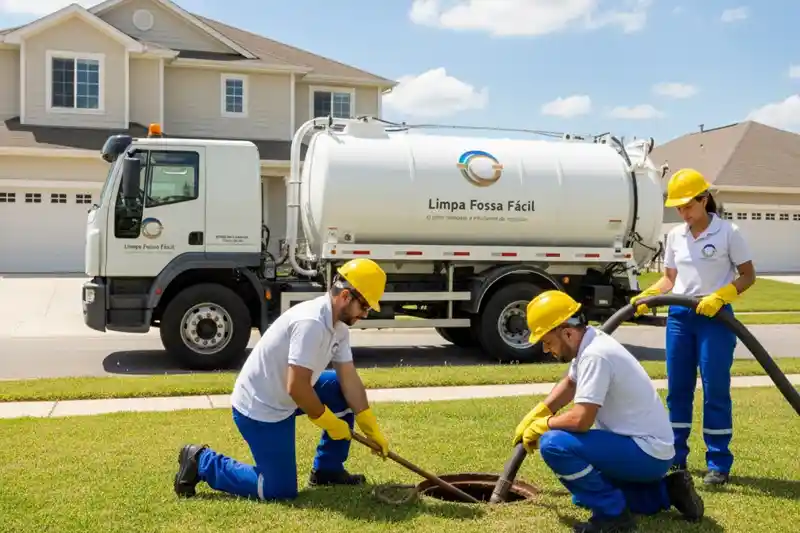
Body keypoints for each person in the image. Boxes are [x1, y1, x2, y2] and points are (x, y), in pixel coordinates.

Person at [173, 258, 391, 501]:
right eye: (365, 307)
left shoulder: (338, 327)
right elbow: (296, 387)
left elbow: (349, 378)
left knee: (341, 391)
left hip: (287, 394)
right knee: (278, 490)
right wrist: (329, 422)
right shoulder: (312, 323)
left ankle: (327, 470)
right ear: (346, 297)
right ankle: (201, 461)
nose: (365, 313)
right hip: (261, 407)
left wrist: (369, 426)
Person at [513, 290, 704, 533]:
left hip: (646, 452)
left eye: (547, 342)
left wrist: (544, 425)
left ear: (567, 332)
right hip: (648, 448)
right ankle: (667, 492)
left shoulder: (595, 355)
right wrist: (539, 411)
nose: (545, 349)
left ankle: (613, 518)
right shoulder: (589, 342)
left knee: (554, 444)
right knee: (583, 495)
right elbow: (571, 383)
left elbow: (582, 420)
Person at [631, 168, 755, 486]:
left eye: (688, 205)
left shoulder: (729, 232)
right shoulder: (675, 236)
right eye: (678, 208)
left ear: (704, 199)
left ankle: (718, 462)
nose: (683, 213)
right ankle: (676, 459)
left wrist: (722, 295)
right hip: (679, 319)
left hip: (716, 318)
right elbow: (670, 279)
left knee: (715, 390)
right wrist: (649, 294)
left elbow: (747, 275)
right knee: (678, 392)